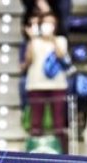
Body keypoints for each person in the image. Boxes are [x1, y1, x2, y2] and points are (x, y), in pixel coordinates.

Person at [22, 12, 70, 153]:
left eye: (51, 23)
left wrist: (52, 39)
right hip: (36, 85)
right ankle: (33, 153)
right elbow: (28, 59)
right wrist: (32, 39)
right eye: (45, 23)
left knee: (59, 123)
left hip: (57, 85)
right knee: (36, 122)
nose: (47, 26)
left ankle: (63, 154)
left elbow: (61, 55)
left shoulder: (61, 40)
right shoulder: (34, 42)